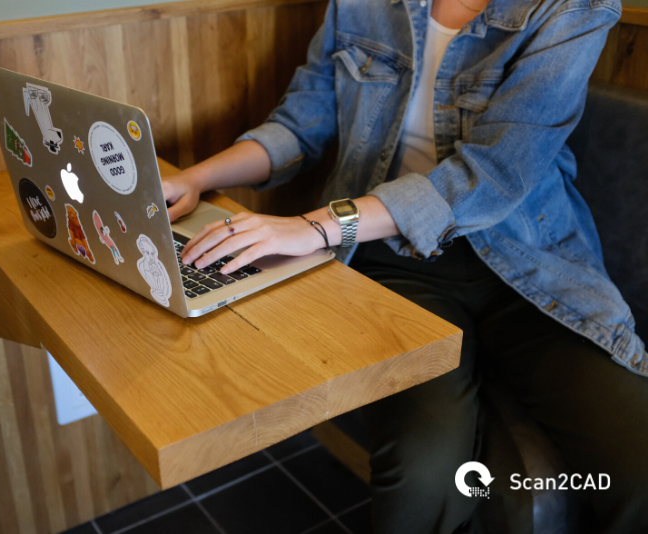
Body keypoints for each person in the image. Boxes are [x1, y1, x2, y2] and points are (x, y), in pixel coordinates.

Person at [162, 0, 648, 531]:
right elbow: (300, 125)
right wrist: (196, 178)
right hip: (391, 259)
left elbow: (495, 172)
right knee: (422, 473)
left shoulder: (572, 9)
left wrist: (315, 226)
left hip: (529, 264)